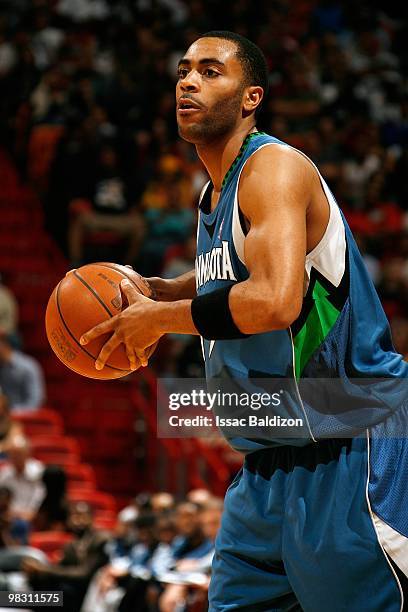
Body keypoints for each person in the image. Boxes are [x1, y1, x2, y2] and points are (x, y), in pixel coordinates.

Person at [80, 31, 408, 611]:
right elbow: (231, 272)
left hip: (350, 441)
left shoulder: (273, 168)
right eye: (184, 71)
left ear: (250, 96)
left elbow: (276, 300)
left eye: (210, 71)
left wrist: (162, 318)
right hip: (266, 463)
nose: (188, 81)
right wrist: (160, 288)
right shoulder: (214, 195)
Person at [0, 334, 45, 412]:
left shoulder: (27, 366)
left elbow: (35, 402)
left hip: (25, 418)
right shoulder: (2, 367)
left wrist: (11, 411)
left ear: (4, 345)